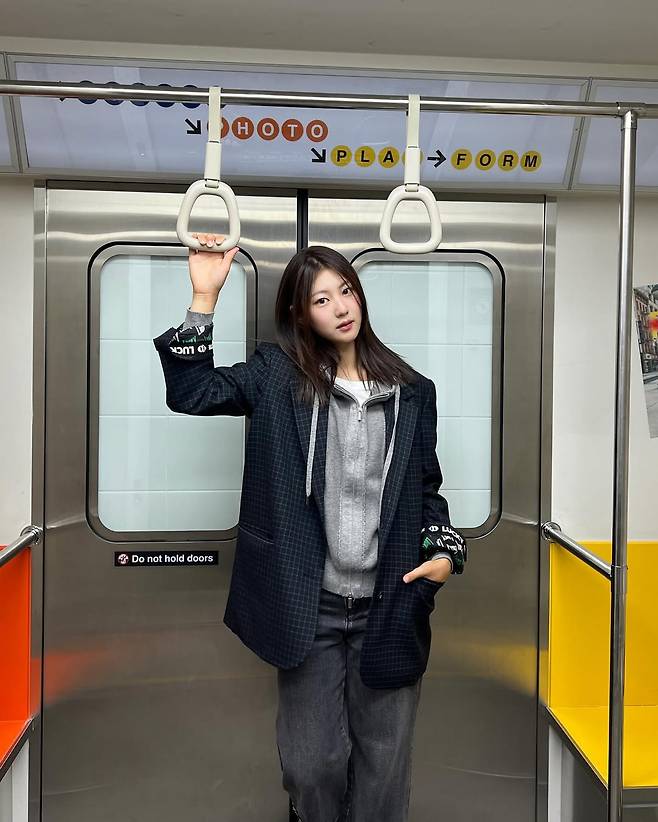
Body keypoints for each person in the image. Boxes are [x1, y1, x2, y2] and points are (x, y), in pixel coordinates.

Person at [153, 234, 467, 822]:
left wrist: (447, 555)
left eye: (346, 291)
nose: (341, 307)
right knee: (311, 765)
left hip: (390, 602)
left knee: (383, 775)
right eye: (322, 300)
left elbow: (428, 489)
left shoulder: (412, 392)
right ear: (301, 314)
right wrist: (204, 297)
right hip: (310, 606)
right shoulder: (277, 377)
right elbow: (192, 392)